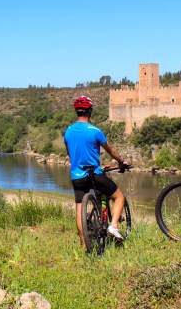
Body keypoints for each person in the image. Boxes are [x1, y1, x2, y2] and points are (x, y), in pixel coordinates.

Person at [64, 96, 129, 247]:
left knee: (80, 209)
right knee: (119, 197)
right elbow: (111, 150)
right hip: (94, 174)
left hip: (77, 176)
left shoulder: (68, 132)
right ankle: (113, 226)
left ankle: (84, 244)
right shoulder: (95, 131)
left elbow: (71, 155)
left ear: (77, 111)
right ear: (90, 111)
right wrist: (121, 161)